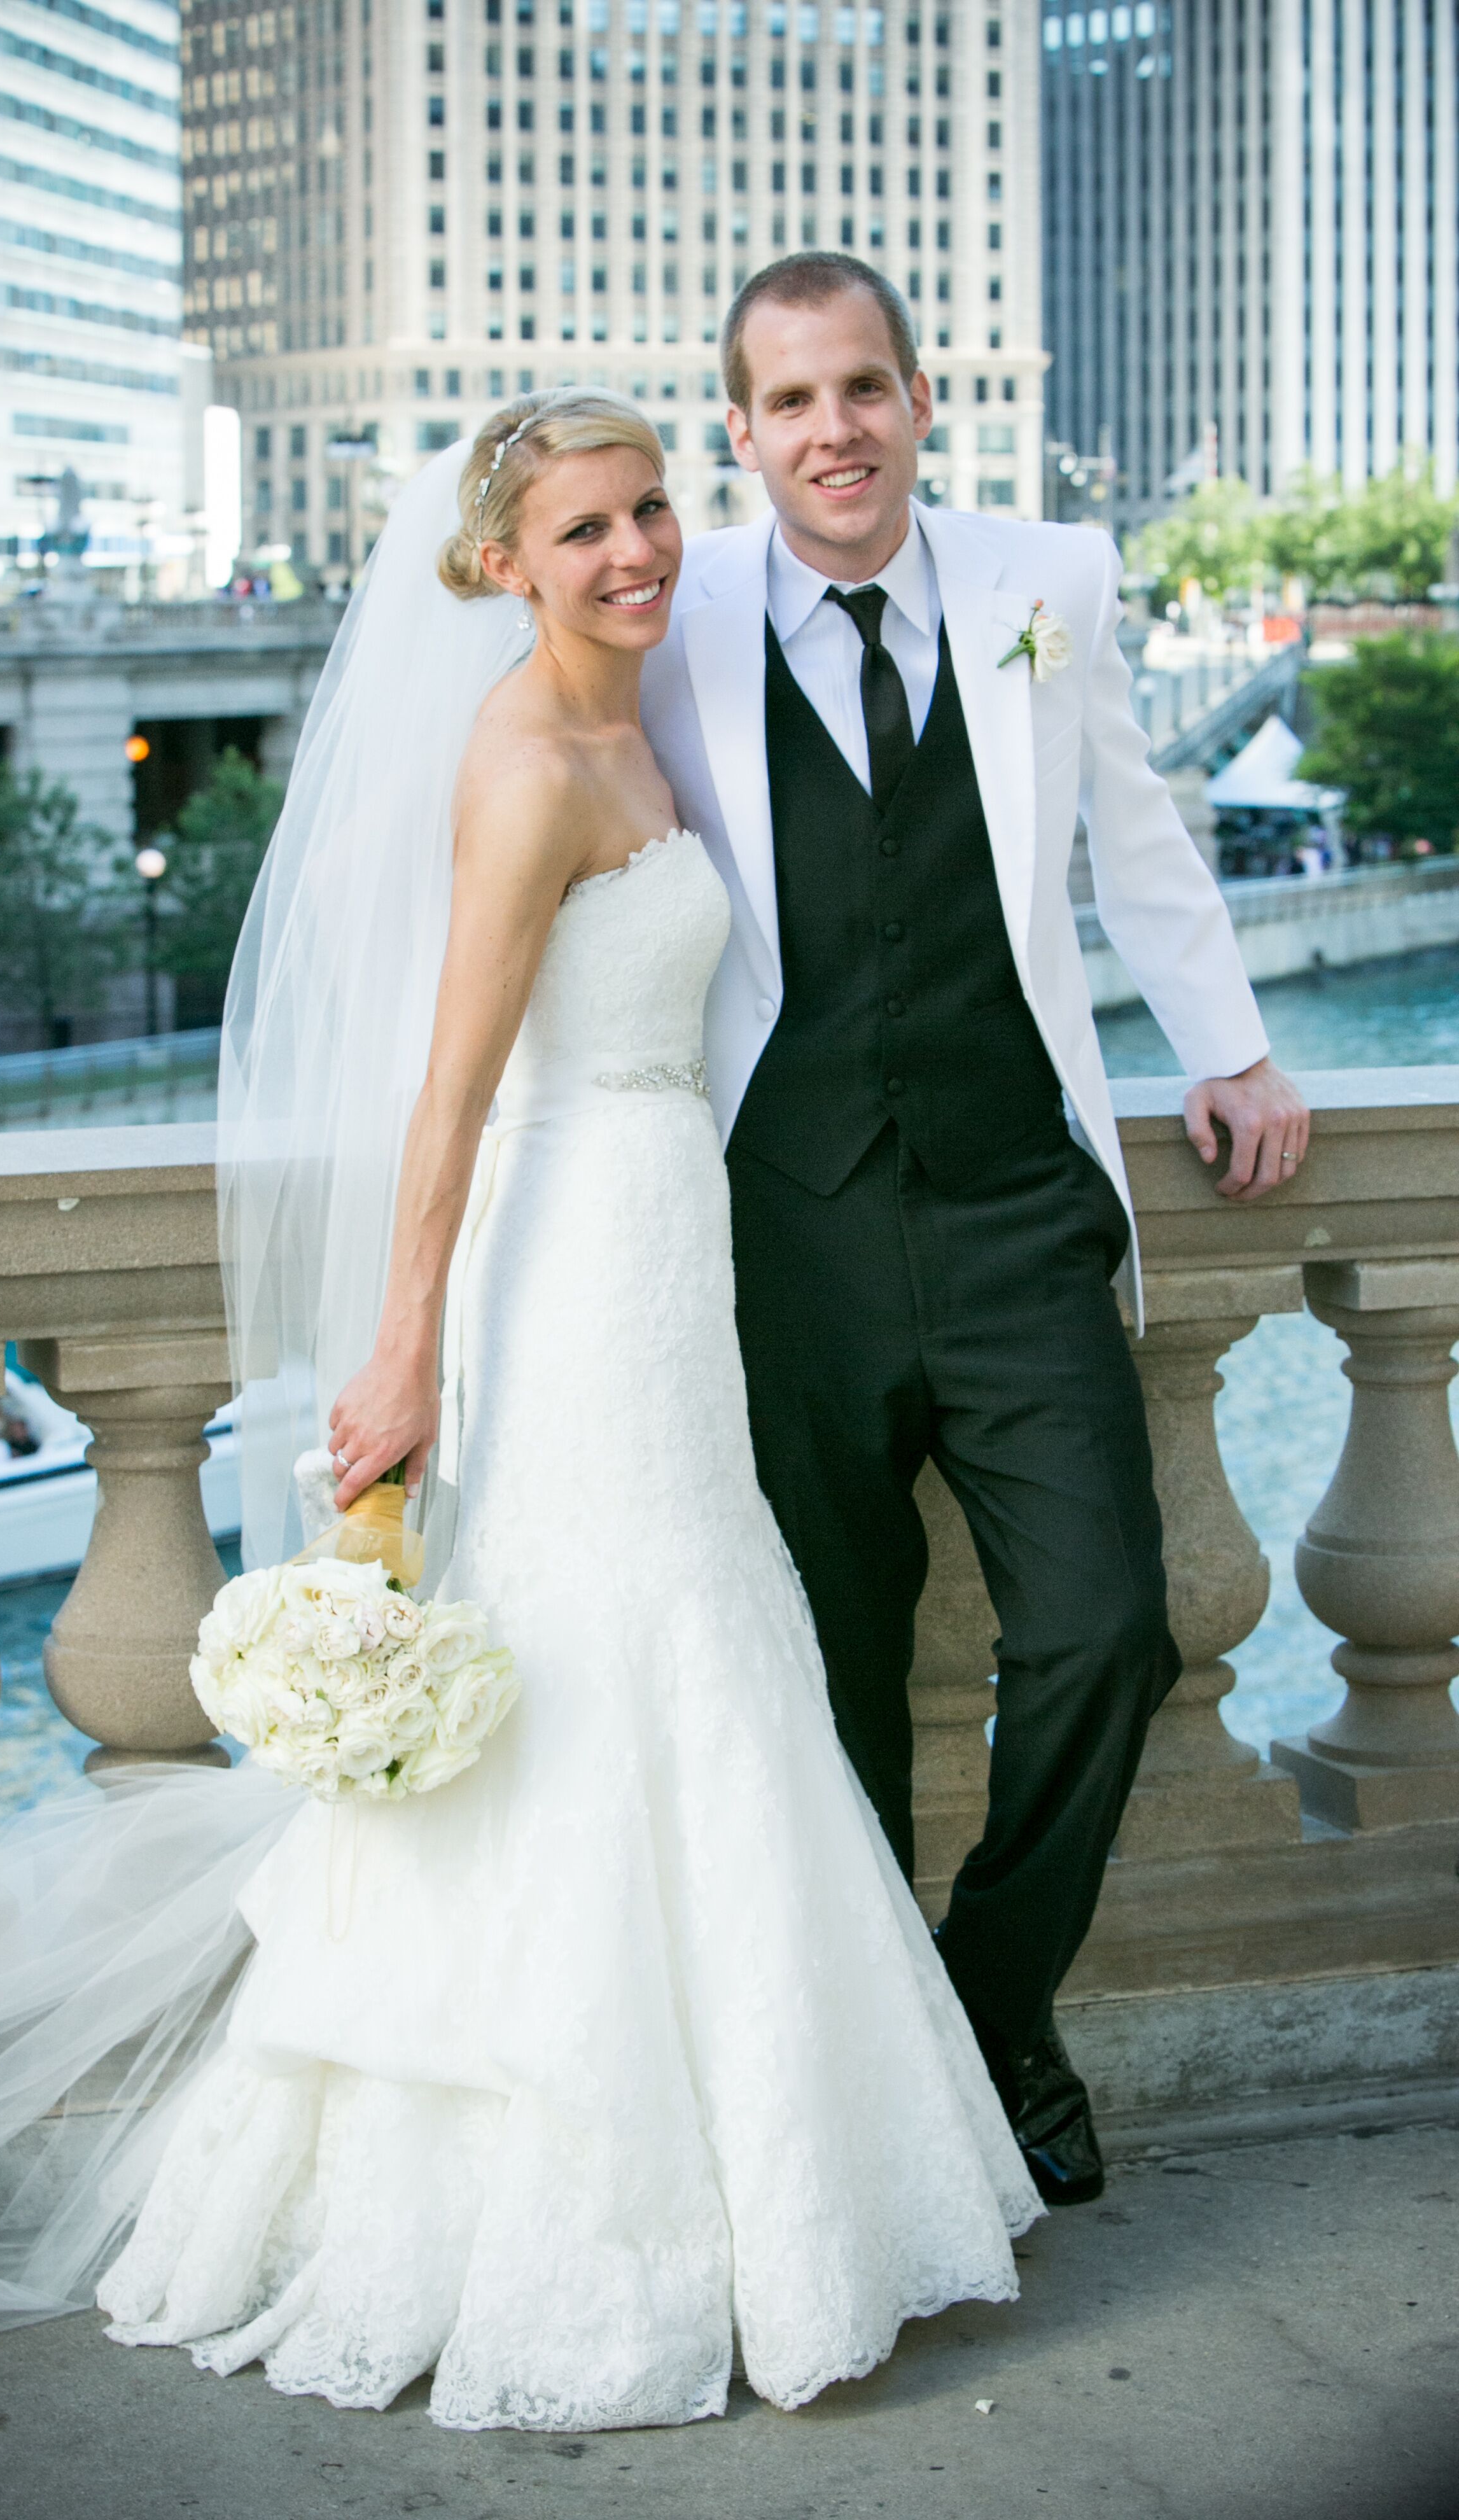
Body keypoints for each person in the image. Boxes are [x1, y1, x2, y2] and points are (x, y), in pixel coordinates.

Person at [0, 395, 1038, 2428]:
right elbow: (446, 1097)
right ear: (500, 568)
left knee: (699, 1655)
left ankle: (765, 2202)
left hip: (669, 1255)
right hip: (568, 1264)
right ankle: (550, 2215)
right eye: (585, 532)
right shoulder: (528, 761)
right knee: (607, 1662)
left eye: (649, 513)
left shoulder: (648, 715)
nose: (636, 552)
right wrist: (400, 1353)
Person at [639, 253, 1308, 2208]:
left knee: (1110, 1628)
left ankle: (990, 2011)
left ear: (925, 398)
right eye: (789, 402)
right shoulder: (669, 614)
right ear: (742, 434)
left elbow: (1136, 834)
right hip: (791, 1227)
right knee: (836, 1688)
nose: (832, 430)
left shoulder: (1053, 584)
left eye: (865, 388)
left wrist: (1239, 1049)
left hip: (1023, 1206)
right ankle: (877, 2090)